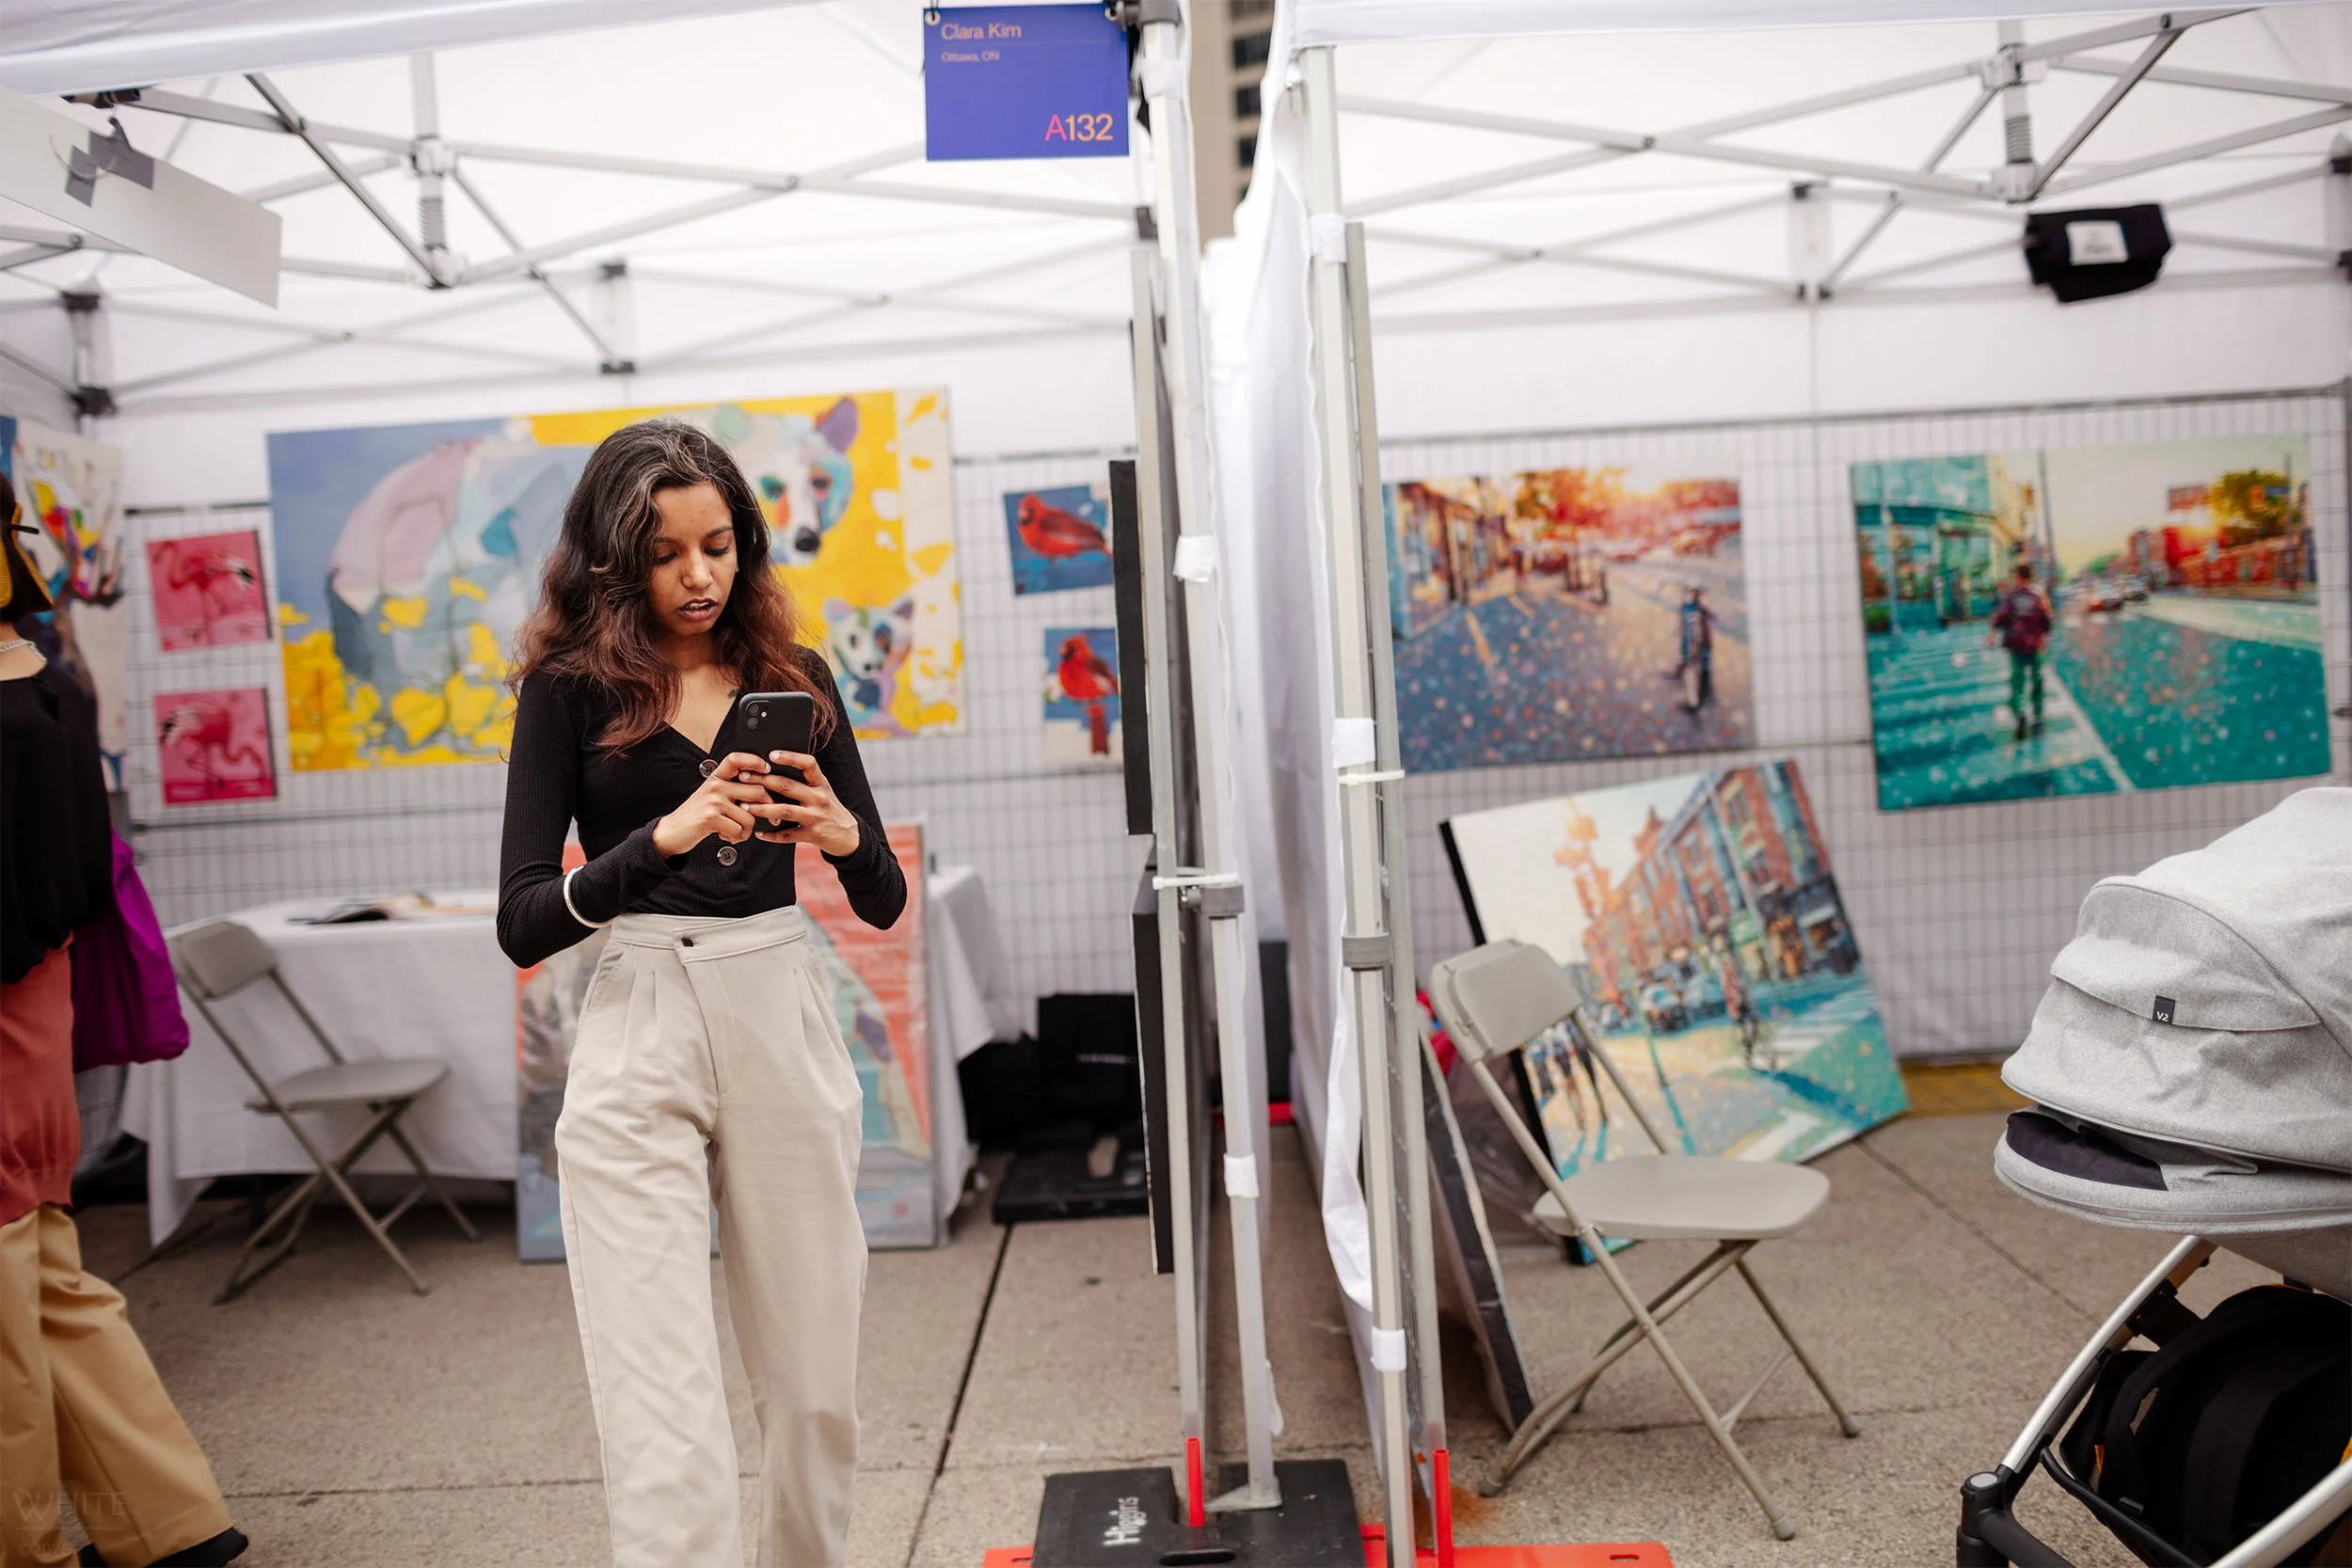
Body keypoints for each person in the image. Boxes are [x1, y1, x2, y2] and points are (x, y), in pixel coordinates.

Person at [496, 420, 905, 1568]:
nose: (697, 576)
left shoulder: (795, 676)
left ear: (745, 544)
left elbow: (879, 900)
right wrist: (659, 839)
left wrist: (840, 832)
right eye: (665, 553)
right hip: (640, 1009)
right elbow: (523, 916)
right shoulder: (567, 691)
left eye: (717, 546)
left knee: (814, 1385)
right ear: (611, 560)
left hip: (777, 997)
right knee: (660, 1407)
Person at [0, 483, 248, 1568]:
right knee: (47, 1278)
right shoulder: (52, 681)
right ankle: (167, 1518)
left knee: (14, 1311)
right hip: (37, 1014)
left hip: (11, 1011)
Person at [1989, 561, 2053, 740]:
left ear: (2017, 576)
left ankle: (2020, 714)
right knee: (2037, 681)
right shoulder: (2038, 595)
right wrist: (2044, 639)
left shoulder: (2011, 595)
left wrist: (1992, 634)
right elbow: (2046, 620)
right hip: (2035, 645)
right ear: (2030, 576)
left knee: (2017, 682)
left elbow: (2000, 617)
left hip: (2016, 645)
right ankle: (2038, 718)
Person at [1673, 583, 1714, 714]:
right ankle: (1697, 699)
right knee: (1700, 673)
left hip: (1696, 648)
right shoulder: (1696, 608)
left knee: (1694, 674)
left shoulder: (1696, 610)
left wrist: (1694, 649)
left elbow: (1696, 633)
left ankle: (1694, 703)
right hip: (1699, 647)